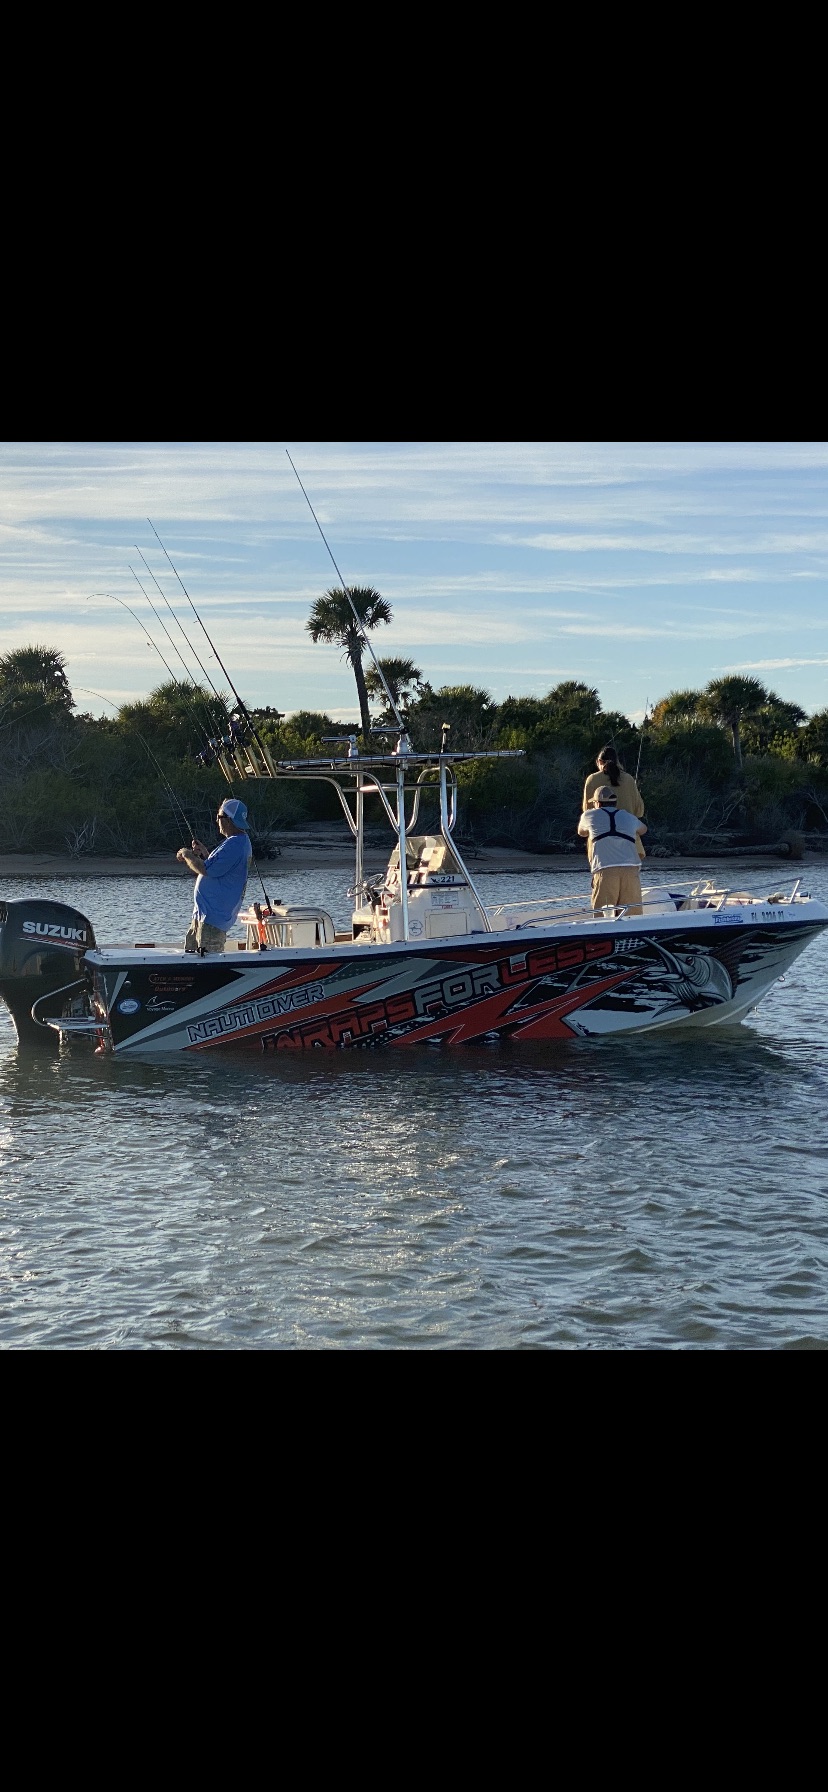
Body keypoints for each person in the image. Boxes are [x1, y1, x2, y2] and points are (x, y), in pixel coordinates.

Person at [178, 797, 253, 953]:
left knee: (204, 965)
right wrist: (205, 854)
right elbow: (218, 869)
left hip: (212, 919)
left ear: (228, 820)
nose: (217, 821)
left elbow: (206, 870)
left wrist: (186, 854)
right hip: (202, 916)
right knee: (190, 959)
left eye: (219, 816)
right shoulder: (236, 842)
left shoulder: (235, 844)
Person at [578, 785, 647, 915]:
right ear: (615, 803)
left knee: (603, 918)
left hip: (605, 870)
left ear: (597, 803)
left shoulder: (589, 815)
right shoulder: (628, 816)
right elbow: (643, 829)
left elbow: (581, 832)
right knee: (632, 917)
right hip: (631, 870)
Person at [583, 746, 645, 859]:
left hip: (601, 846)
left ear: (599, 762)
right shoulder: (629, 779)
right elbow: (639, 811)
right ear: (617, 761)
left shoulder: (592, 779)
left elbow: (587, 812)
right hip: (630, 844)